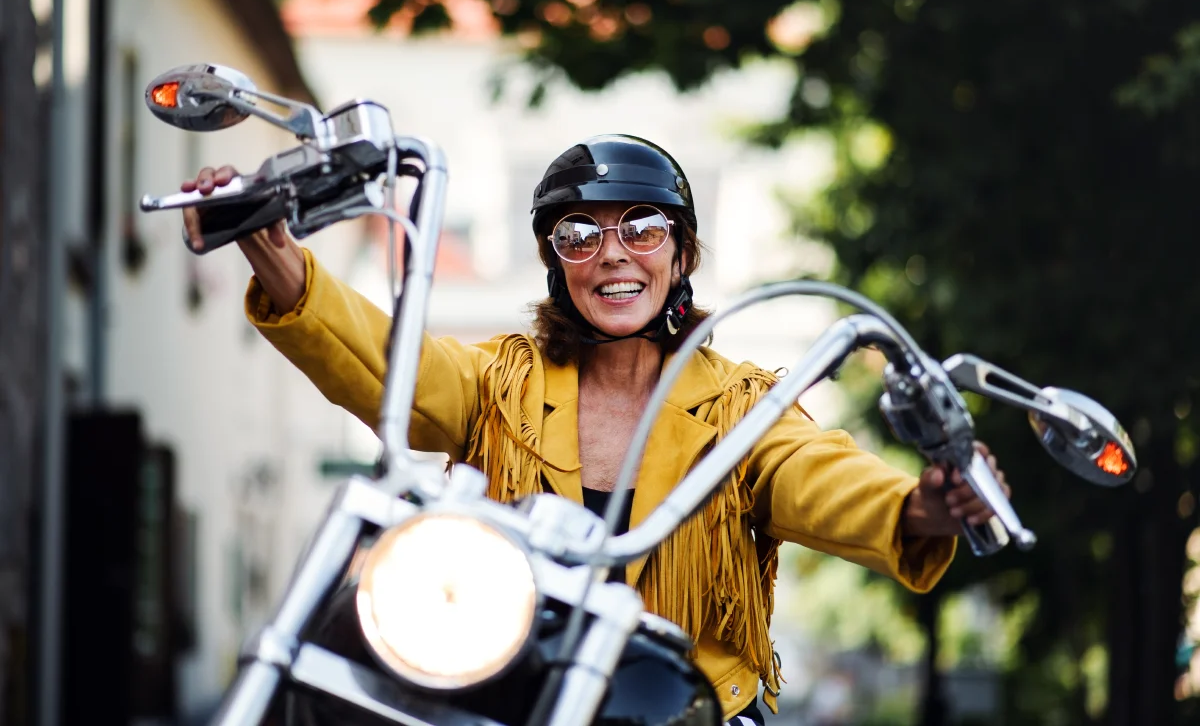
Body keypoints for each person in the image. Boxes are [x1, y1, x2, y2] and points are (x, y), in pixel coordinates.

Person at [181, 134, 1010, 725]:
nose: (613, 254)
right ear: (556, 262)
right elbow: (380, 362)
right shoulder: (499, 382)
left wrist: (922, 505)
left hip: (685, 707)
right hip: (502, 686)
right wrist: (271, 250)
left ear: (680, 255)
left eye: (643, 229)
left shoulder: (744, 408)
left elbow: (817, 475)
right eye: (580, 236)